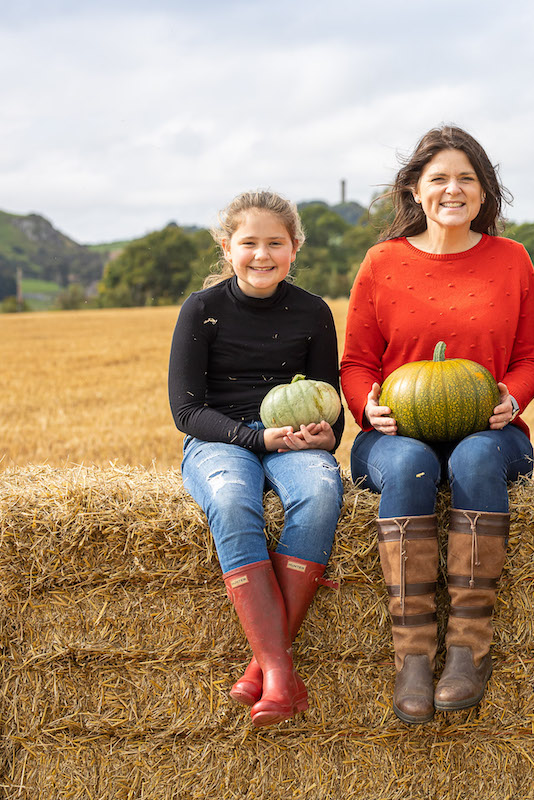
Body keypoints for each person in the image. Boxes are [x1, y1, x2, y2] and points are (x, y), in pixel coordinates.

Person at [340, 125, 534, 725]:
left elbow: (531, 354)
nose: (452, 190)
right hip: (396, 433)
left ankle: (467, 647)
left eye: (466, 179)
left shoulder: (511, 259)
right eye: (438, 179)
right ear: (414, 189)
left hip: (491, 428)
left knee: (475, 459)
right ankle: (413, 655)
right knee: (411, 465)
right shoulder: (382, 263)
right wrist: (365, 410)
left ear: (484, 193)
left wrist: (513, 398)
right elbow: (356, 362)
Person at [169, 190, 345, 728]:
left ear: (295, 248)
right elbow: (187, 410)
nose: (262, 254)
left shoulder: (313, 312)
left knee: (319, 493)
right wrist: (255, 438)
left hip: (294, 443)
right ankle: (278, 669)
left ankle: (263, 670)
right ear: (227, 248)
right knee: (230, 497)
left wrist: (324, 435)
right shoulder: (202, 310)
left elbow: (332, 413)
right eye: (249, 243)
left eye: (276, 243)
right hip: (221, 439)